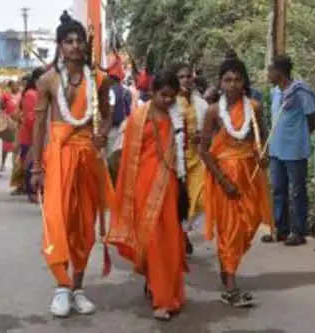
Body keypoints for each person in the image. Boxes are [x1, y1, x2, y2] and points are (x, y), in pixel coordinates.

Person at [30, 12, 113, 318]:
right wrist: (37, 167)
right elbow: (39, 125)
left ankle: (77, 287)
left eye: (79, 41)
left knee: (84, 225)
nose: (75, 46)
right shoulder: (48, 80)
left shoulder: (99, 79)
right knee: (58, 222)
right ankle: (61, 287)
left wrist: (103, 133)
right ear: (60, 46)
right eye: (69, 41)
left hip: (88, 158)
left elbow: (106, 115)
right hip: (59, 158)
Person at [107, 69, 187, 321]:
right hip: (143, 185)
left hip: (169, 184)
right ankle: (161, 299)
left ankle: (164, 290)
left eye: (172, 97)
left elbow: (183, 152)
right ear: (152, 92)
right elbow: (128, 157)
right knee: (152, 240)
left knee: (170, 240)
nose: (167, 101)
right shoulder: (138, 118)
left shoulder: (177, 118)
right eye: (163, 95)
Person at [200, 57, 272, 307]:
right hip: (225, 178)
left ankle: (227, 265)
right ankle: (231, 287)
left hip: (249, 176)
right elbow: (204, 151)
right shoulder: (212, 112)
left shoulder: (255, 107)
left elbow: (261, 140)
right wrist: (223, 181)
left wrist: (264, 157)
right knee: (230, 230)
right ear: (220, 83)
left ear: (244, 82)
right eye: (227, 80)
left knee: (249, 226)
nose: (232, 85)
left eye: (237, 79)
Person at [261, 55, 315, 246]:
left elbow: (314, 117)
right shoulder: (275, 92)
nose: (268, 74)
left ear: (280, 72)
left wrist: (301, 135)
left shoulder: (301, 91)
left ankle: (299, 231)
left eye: (270, 70)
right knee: (278, 189)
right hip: (277, 149)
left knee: (297, 191)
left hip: (294, 150)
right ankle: (281, 230)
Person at [174, 62, 208, 254]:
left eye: (188, 76)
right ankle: (181, 235)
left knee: (201, 199)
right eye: (182, 77)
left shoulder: (200, 103)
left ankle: (184, 232)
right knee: (179, 201)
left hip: (196, 159)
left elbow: (209, 131)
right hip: (176, 162)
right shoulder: (170, 102)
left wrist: (202, 136)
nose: (186, 80)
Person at [17, 68, 45, 203]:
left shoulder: (39, 93)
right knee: (31, 164)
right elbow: (31, 118)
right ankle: (31, 192)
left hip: (37, 134)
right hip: (30, 136)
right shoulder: (31, 94)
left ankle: (34, 191)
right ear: (36, 80)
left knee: (34, 162)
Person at [0, 80, 22, 172]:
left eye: (17, 85)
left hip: (19, 123)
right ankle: (2, 163)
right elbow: (1, 107)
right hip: (9, 124)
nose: (15, 87)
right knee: (5, 144)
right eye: (13, 86)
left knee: (17, 145)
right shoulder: (5, 95)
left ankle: (16, 165)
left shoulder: (21, 95)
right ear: (10, 86)